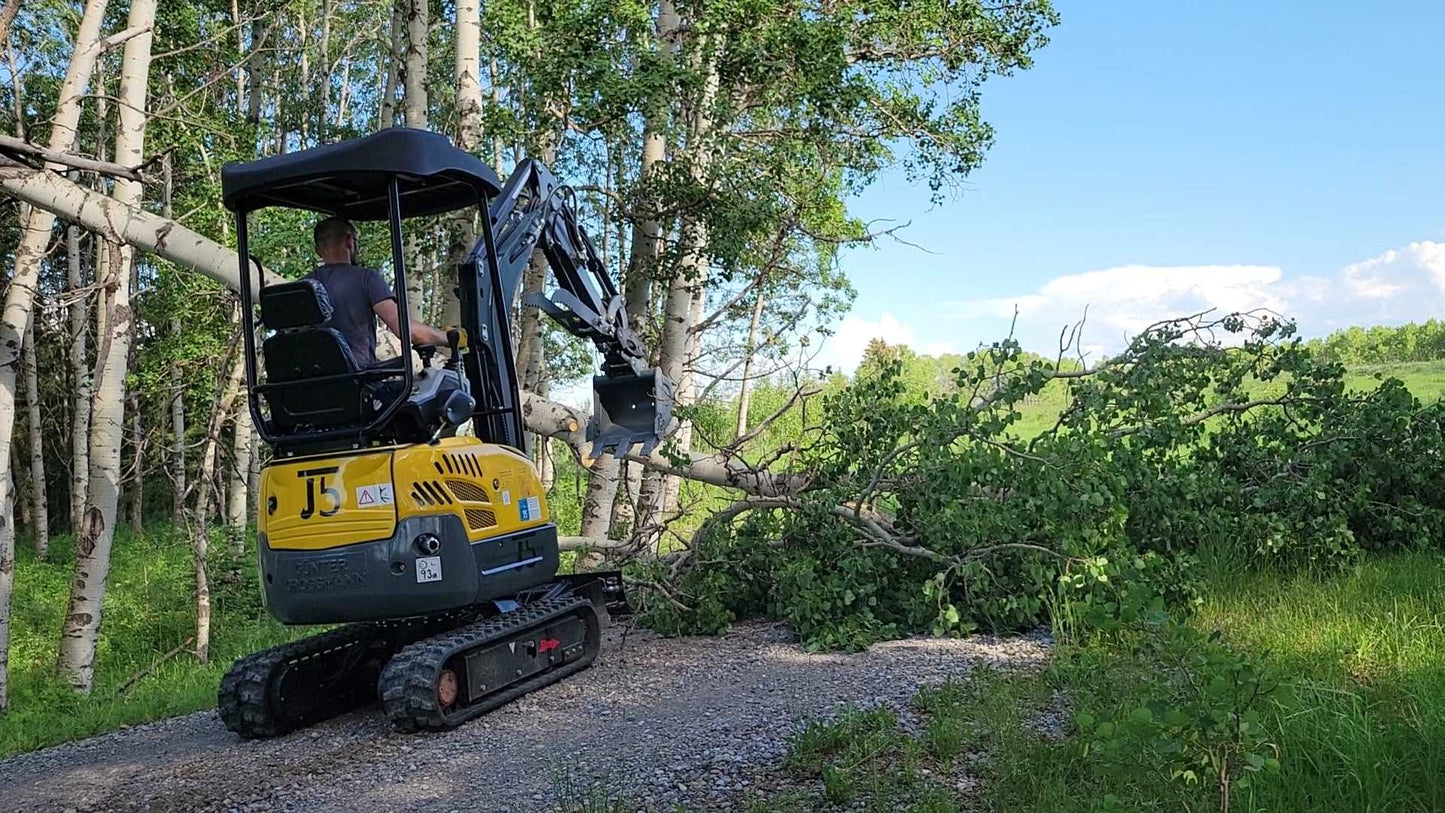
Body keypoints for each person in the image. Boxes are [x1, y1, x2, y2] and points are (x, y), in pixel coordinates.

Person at [307, 216, 448, 367]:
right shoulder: (366, 278)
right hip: (357, 383)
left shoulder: (302, 287)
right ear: (349, 241)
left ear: (317, 250)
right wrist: (448, 337)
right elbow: (407, 331)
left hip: (306, 383)